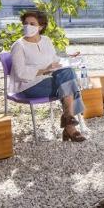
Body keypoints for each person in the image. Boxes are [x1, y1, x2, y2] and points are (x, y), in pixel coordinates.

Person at [9, 10, 86, 142]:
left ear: (41, 26)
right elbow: (20, 73)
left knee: (68, 73)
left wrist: (68, 58)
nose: (28, 26)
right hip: (29, 86)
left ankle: (69, 122)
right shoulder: (18, 46)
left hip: (48, 79)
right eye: (26, 23)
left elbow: (54, 60)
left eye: (32, 23)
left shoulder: (46, 40)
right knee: (70, 83)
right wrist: (44, 70)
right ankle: (69, 125)